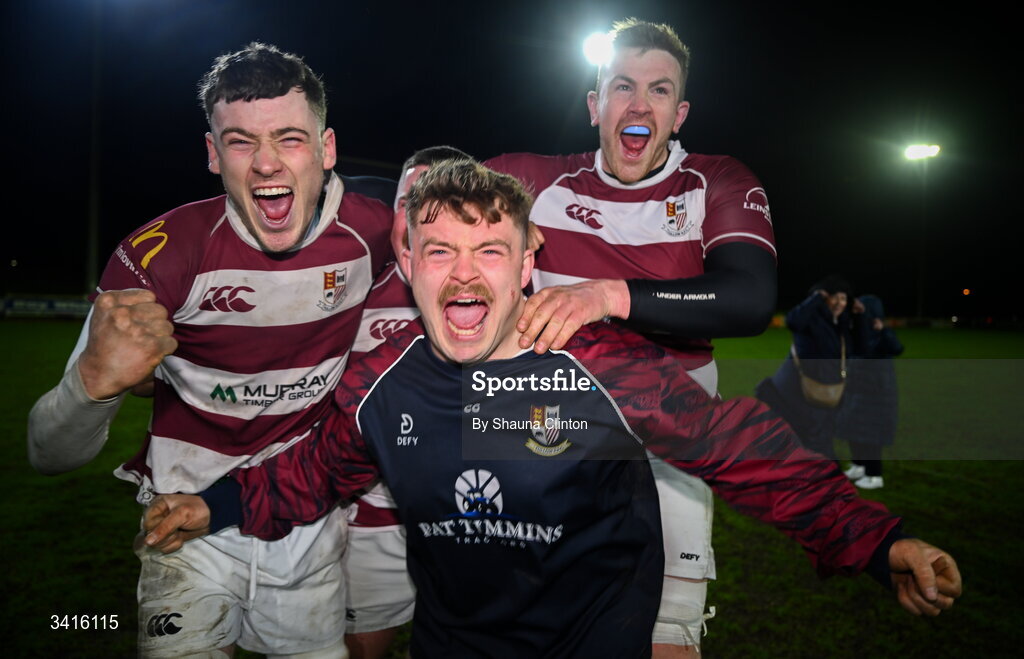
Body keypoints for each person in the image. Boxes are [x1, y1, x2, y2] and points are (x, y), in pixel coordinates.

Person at [143, 160, 961, 657]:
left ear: (528, 261)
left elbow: (743, 451)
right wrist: (210, 503)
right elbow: (314, 472)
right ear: (409, 263)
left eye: (490, 250)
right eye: (440, 252)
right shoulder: (381, 387)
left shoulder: (600, 366)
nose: (465, 276)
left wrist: (878, 539)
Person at [27, 43, 394, 658]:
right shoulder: (159, 257)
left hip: (309, 524)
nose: (267, 164)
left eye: (289, 138)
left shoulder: (378, 233)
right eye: (241, 142)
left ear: (327, 149)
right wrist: (91, 384)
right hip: (182, 534)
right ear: (212, 153)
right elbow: (47, 454)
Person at [483, 18, 777, 654]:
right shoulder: (532, 181)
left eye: (659, 90)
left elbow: (749, 298)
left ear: (680, 112)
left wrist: (609, 295)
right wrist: (446, 217)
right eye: (622, 87)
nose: (640, 104)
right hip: (551, 423)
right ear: (595, 107)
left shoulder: (718, 182)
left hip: (673, 424)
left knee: (667, 636)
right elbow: (426, 192)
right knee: (536, 625)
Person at [343, 145, 472, 659]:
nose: (421, 217)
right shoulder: (350, 285)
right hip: (372, 514)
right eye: (408, 202)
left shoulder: (497, 286)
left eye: (440, 202)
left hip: (471, 515)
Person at [756, 275, 865, 460]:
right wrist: (815, 298)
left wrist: (859, 317)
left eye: (844, 298)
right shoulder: (811, 321)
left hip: (824, 392)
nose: (840, 302)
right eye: (835, 297)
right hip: (800, 390)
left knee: (814, 439)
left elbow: (860, 347)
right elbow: (792, 321)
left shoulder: (841, 324)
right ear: (824, 298)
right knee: (810, 440)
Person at [838, 294, 904, 489]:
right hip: (855, 391)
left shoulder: (881, 334)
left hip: (876, 395)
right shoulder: (856, 332)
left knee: (870, 434)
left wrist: (883, 330)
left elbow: (897, 348)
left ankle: (874, 475)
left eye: (861, 309)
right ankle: (859, 466)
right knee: (852, 429)